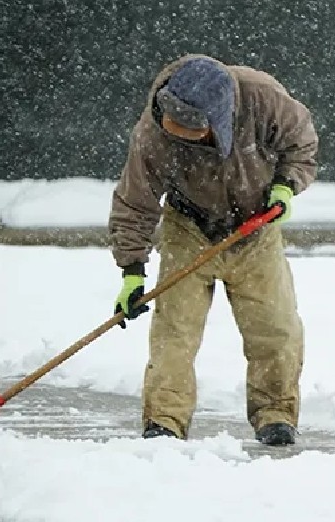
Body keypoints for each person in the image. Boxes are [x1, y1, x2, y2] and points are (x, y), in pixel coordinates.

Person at [108, 53, 318, 445]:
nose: (180, 137)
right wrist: (132, 271)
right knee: (175, 333)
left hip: (256, 228)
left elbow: (301, 145)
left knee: (276, 329)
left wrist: (286, 186)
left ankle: (275, 415)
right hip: (189, 228)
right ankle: (165, 421)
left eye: (195, 132)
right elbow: (136, 202)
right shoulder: (152, 135)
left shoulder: (264, 99)